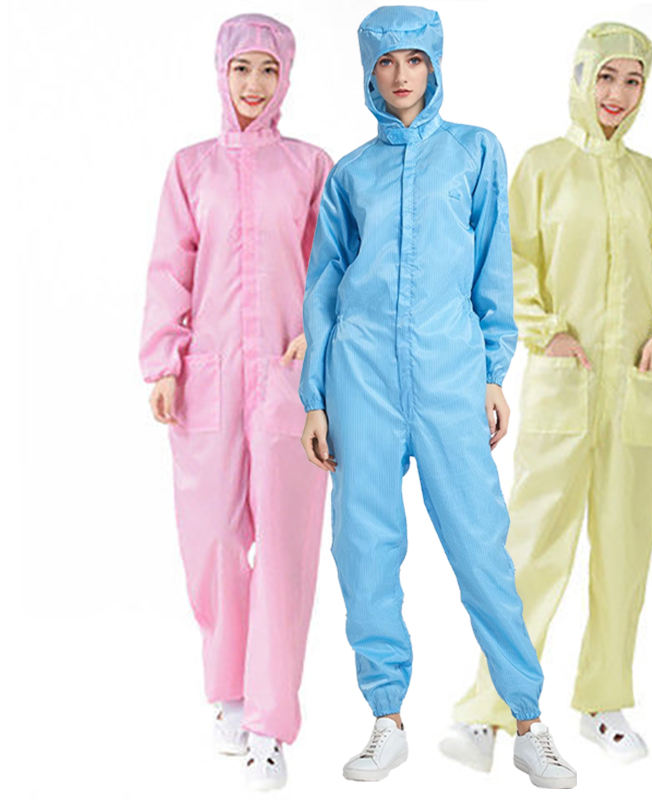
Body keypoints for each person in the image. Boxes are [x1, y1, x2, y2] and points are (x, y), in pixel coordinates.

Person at [299, 5, 576, 789]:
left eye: (414, 59)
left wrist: (492, 371)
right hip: (359, 376)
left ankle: (528, 721)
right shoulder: (350, 173)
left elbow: (495, 268)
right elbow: (322, 286)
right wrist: (315, 397)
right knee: (365, 547)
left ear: (435, 64)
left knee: (481, 545)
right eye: (386, 63)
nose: (401, 75)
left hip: (449, 372)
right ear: (368, 72)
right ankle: (386, 720)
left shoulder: (475, 152)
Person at [442, 21, 652, 766]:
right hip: (564, 381)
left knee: (626, 549)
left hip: (637, 389)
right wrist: (545, 330)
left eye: (633, 80)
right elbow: (509, 262)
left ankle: (603, 703)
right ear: (582, 79)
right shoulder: (543, 167)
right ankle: (489, 709)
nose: (618, 94)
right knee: (530, 549)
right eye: (607, 77)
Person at [139, 13, 331, 791]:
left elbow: (332, 265)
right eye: (242, 68)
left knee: (284, 548)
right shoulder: (191, 168)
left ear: (286, 78)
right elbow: (169, 267)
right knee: (215, 538)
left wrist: (318, 334)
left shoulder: (310, 165)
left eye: (268, 70)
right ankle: (229, 688)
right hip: (209, 376)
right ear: (221, 73)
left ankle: (270, 725)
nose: (254, 85)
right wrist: (163, 361)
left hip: (289, 378)